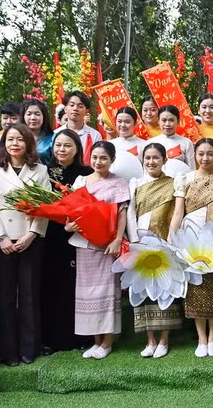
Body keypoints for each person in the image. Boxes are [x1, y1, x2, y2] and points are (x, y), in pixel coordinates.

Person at [0, 123, 50, 366]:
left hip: (30, 239)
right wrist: (1, 238)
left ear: (28, 143)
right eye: (10, 139)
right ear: (4, 143)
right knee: (5, 295)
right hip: (3, 241)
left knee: (30, 294)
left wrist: (31, 234)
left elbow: (45, 207)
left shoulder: (40, 170)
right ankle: (7, 351)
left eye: (20, 139)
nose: (15, 144)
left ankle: (30, 348)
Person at [169, 138, 213, 357]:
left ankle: (212, 339)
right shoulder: (184, 179)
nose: (205, 158)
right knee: (196, 290)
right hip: (189, 240)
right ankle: (201, 339)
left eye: (210, 154)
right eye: (201, 153)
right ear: (195, 155)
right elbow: (178, 212)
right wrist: (172, 238)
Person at [67, 141, 129, 360]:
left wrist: (118, 239)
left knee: (107, 291)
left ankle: (107, 342)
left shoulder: (119, 183)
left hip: (108, 246)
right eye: (94, 157)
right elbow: (71, 210)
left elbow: (122, 213)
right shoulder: (81, 182)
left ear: (112, 160)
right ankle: (95, 341)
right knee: (87, 292)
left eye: (103, 158)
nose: (98, 162)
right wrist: (68, 225)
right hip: (85, 245)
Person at [40, 129, 94, 355]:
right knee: (52, 286)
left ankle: (81, 336)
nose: (62, 150)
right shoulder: (43, 171)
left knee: (77, 286)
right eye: (58, 145)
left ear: (77, 149)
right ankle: (52, 338)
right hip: (51, 235)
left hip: (78, 234)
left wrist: (76, 223)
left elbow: (92, 205)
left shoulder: (86, 173)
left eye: (67, 146)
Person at [126, 143, 183, 359]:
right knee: (142, 291)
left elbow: (177, 213)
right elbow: (130, 214)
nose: (151, 162)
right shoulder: (136, 184)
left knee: (165, 289)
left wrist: (170, 240)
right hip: (140, 242)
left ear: (164, 160)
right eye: (147, 158)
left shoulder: (173, 183)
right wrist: (134, 241)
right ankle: (149, 340)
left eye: (156, 158)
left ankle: (164, 340)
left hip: (164, 242)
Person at [148, 105, 196, 170]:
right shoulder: (150, 143)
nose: (167, 124)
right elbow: (146, 170)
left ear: (178, 121)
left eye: (171, 120)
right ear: (158, 121)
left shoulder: (186, 142)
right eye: (164, 120)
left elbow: (191, 169)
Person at [22, 99, 54, 164]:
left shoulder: (52, 139)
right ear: (23, 116)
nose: (33, 118)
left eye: (37, 114)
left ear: (44, 116)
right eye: (29, 114)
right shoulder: (17, 138)